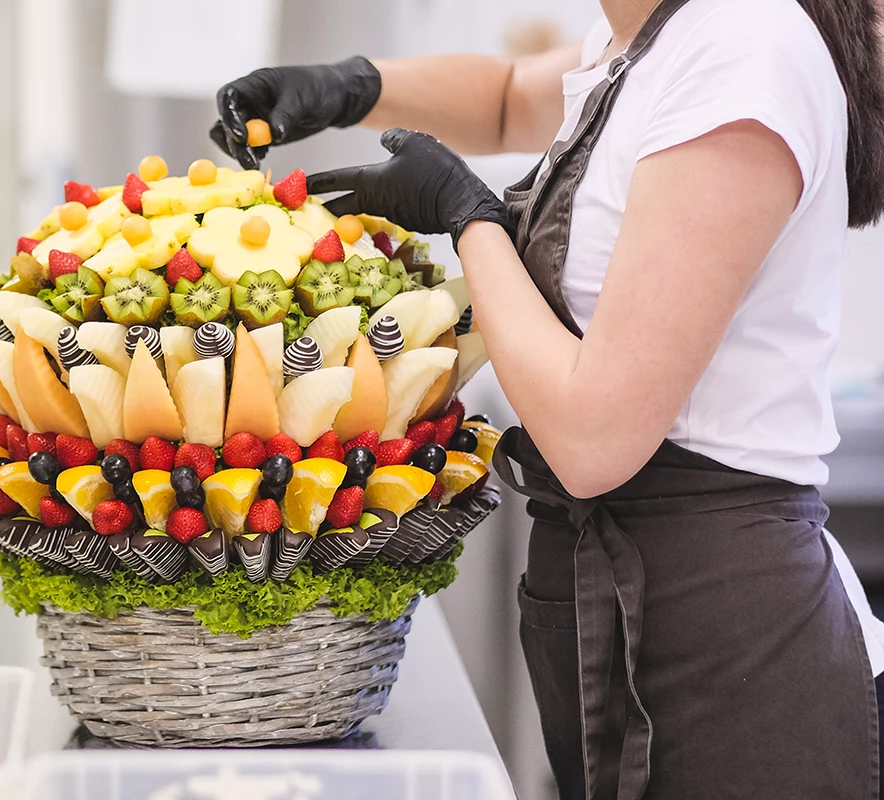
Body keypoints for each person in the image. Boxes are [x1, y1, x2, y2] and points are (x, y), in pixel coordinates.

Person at [212, 0, 884, 797]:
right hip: (618, 599)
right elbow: (506, 96)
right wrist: (348, 88)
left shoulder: (745, 46)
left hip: (727, 637)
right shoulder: (645, 29)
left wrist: (470, 220)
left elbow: (595, 441)